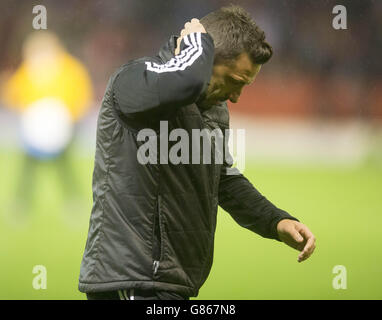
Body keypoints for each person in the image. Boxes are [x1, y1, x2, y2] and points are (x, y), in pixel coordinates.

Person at [79, 5, 316, 300]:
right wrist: (198, 45)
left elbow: (223, 180)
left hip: (170, 283)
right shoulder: (134, 80)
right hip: (133, 280)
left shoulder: (214, 108)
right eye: (233, 81)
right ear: (204, 59)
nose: (236, 96)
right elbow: (186, 83)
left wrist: (275, 221)